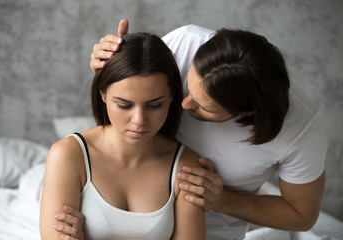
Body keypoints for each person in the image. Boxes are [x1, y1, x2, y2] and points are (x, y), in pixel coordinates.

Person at [57, 19, 327, 240]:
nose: (184, 104)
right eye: (187, 85)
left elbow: (302, 215)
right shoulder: (185, 44)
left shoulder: (301, 131)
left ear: (247, 113)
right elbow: (136, 83)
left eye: (202, 106)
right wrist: (112, 66)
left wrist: (221, 200)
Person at [40, 32, 206, 240]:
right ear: (103, 93)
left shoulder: (186, 167)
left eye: (154, 105)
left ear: (172, 95)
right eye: (124, 105)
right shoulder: (68, 155)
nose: (139, 119)